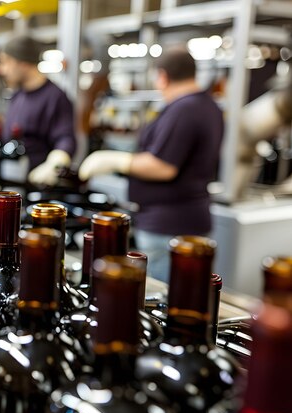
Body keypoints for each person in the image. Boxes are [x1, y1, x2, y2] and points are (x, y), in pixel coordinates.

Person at [78, 47, 224, 282]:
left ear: (163, 76)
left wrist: (116, 160)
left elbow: (163, 166)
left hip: (168, 225)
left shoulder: (184, 109)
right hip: (187, 218)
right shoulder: (209, 106)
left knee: (161, 298)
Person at [0, 35, 77, 186]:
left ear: (23, 63)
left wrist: (55, 164)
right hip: (13, 184)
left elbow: (66, 138)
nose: (1, 70)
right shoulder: (18, 95)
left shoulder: (55, 97)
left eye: (5, 62)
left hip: (38, 188)